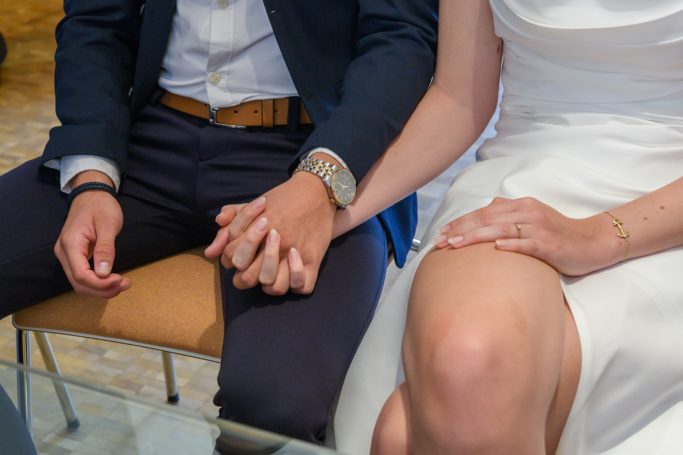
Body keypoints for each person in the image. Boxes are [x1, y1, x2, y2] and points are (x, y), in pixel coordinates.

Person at [219, 0, 683, 453]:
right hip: (523, 181)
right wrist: (326, 207)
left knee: (405, 434)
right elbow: (459, 99)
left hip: (665, 207)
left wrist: (601, 235)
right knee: (467, 364)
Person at [0, 0, 438, 445]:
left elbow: (401, 38)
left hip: (313, 146)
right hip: (145, 138)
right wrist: (91, 178)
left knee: (273, 404)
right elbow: (95, 20)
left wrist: (321, 181)